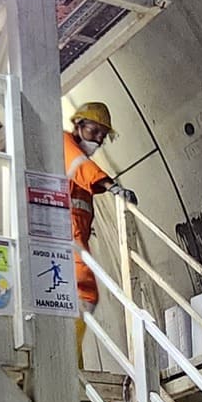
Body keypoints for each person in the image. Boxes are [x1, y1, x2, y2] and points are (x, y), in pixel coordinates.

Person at [63, 102, 136, 356]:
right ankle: (68, 358)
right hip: (61, 232)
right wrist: (112, 186)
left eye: (103, 137)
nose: (98, 139)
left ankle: (72, 357)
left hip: (73, 234)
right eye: (94, 131)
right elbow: (79, 166)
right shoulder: (63, 143)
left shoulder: (77, 160)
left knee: (83, 294)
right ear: (78, 124)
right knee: (83, 288)